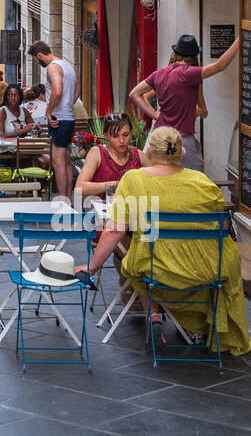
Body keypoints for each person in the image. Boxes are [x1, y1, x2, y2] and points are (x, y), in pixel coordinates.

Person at [77, 127, 250, 355]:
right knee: (167, 254)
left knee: (138, 256)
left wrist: (92, 266)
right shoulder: (203, 182)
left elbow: (115, 230)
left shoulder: (134, 179)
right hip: (209, 269)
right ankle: (201, 323)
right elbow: (222, 227)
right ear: (181, 154)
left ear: (149, 150)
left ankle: (153, 313)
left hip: (159, 268)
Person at [129, 34, 239, 174]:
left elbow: (134, 94)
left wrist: (155, 115)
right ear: (194, 56)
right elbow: (220, 66)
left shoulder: (159, 73)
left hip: (160, 137)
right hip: (182, 139)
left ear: (175, 53)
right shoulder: (190, 74)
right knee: (196, 179)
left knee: (161, 177)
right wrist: (240, 39)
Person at [27, 40, 78, 198]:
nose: (37, 63)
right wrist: (68, 104)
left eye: (36, 60)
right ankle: (68, 198)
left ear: (40, 55)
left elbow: (57, 91)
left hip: (59, 119)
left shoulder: (52, 67)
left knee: (58, 162)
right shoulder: (67, 65)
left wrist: (49, 111)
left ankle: (63, 199)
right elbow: (78, 88)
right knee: (66, 160)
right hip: (68, 117)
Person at [75, 112, 143, 202]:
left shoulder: (138, 155)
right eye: (115, 136)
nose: (122, 141)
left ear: (131, 133)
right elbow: (79, 188)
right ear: (106, 136)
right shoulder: (97, 153)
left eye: (126, 135)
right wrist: (114, 184)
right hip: (102, 211)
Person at [0, 83, 36, 152]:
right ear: (6, 97)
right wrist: (23, 130)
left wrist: (36, 127)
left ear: (20, 97)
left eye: (16, 95)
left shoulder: (24, 111)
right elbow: (0, 136)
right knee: (39, 158)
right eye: (10, 95)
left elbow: (33, 127)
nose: (13, 98)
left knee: (41, 157)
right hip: (8, 149)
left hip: (23, 148)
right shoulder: (2, 111)